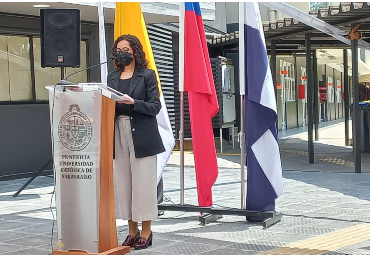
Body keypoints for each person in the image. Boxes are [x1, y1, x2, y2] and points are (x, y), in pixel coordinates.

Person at [107, 34, 165, 250]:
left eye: (126, 49)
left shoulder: (147, 75)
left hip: (142, 134)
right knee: (124, 185)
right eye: (119, 49)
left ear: (135, 52)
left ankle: (147, 231)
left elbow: (154, 107)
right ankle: (132, 230)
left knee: (143, 185)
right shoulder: (111, 76)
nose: (122, 53)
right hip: (117, 132)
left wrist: (134, 102)